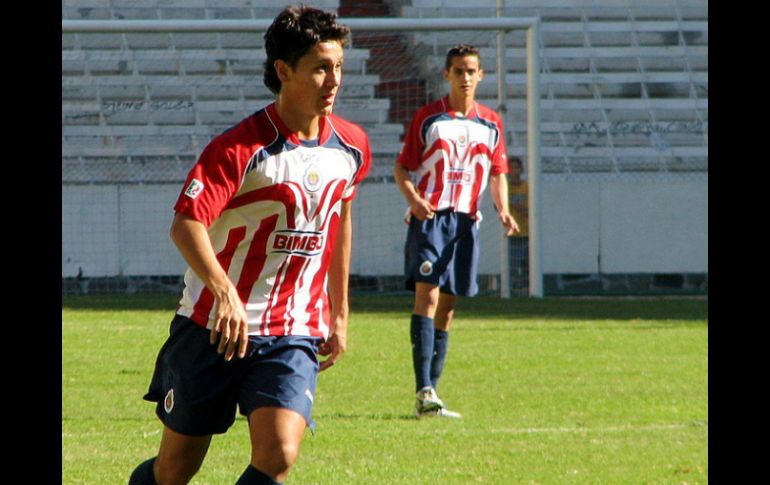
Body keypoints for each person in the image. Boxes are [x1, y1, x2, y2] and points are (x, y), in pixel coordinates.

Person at [128, 6, 370, 485]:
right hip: (212, 327)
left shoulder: (351, 146)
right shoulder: (241, 148)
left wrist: (338, 312)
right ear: (283, 71)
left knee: (279, 452)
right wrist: (224, 293)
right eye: (321, 66)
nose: (334, 79)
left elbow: (339, 221)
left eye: (339, 66)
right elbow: (186, 223)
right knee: (175, 469)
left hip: (293, 328)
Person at [393, 44, 519, 419]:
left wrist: (504, 210)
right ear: (446, 75)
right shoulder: (429, 119)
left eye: (471, 71)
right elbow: (403, 168)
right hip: (431, 219)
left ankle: (432, 396)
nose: (465, 78)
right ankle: (423, 389)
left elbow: (498, 173)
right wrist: (414, 200)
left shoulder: (491, 123)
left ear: (481, 76)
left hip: (466, 223)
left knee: (447, 308)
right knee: (427, 301)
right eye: (458, 71)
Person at [507, 155, 529, 291]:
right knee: (512, 265)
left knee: (526, 263)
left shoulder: (526, 186)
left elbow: (527, 209)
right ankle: (511, 288)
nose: (514, 171)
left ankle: (526, 288)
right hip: (510, 233)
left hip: (524, 231)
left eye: (516, 167)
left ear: (521, 170)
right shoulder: (505, 187)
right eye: (511, 168)